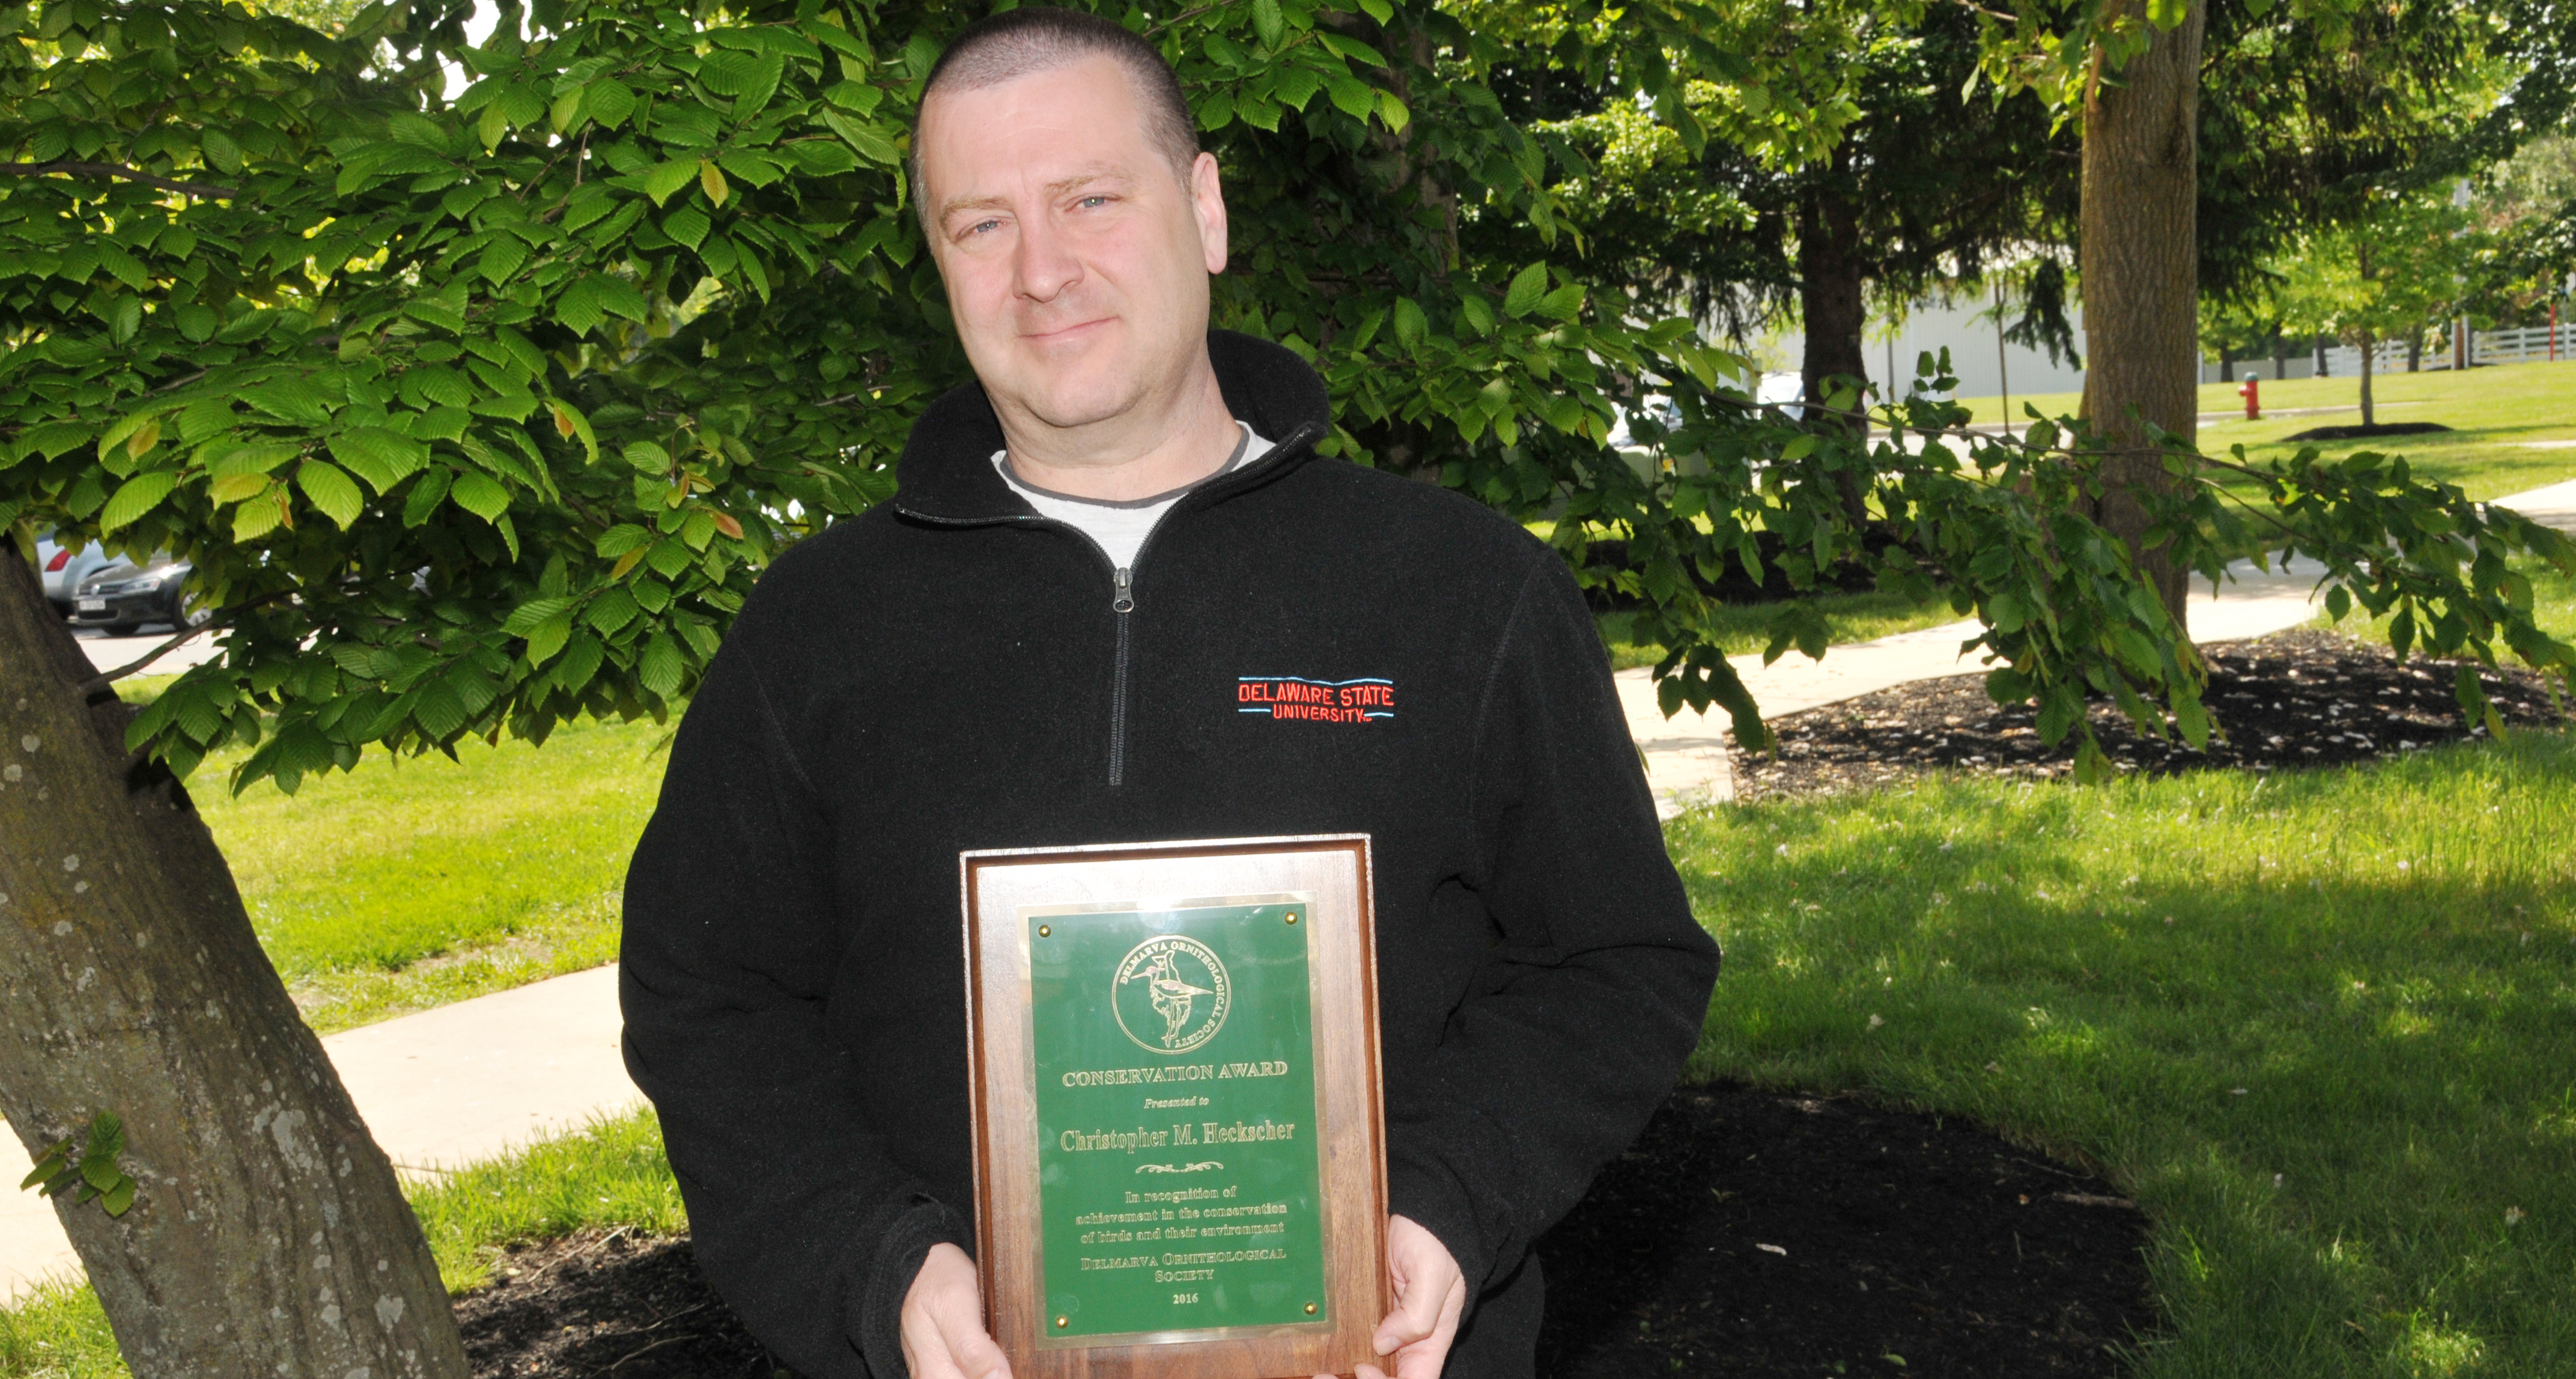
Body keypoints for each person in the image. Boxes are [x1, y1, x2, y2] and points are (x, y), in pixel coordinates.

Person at [618, 10, 1719, 1378]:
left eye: (1088, 199)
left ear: (1201, 207)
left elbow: (1617, 959)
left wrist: (1447, 1202)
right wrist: (872, 1262)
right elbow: (705, 991)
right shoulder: (815, 631)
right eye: (979, 225)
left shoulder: (1461, 590)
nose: (1040, 270)